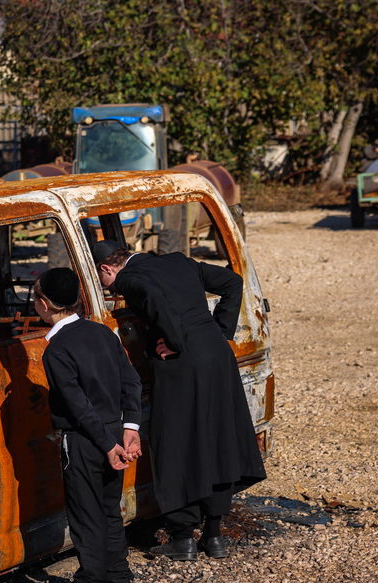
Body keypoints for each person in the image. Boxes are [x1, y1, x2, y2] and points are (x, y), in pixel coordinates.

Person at [91, 239, 266, 561]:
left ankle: (183, 536)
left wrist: (175, 342)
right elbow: (232, 282)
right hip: (216, 354)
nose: (107, 287)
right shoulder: (179, 261)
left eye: (102, 279)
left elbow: (156, 299)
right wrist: (221, 331)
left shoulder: (129, 278)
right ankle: (213, 535)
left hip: (181, 365)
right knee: (216, 437)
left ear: (107, 268)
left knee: (176, 442)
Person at [33, 267, 143, 583]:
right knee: (110, 512)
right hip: (113, 431)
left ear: (45, 304)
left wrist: (107, 445)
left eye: (35, 297)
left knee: (86, 518)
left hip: (84, 440)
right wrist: (130, 429)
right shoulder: (103, 333)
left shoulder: (56, 350)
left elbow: (78, 406)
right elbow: (131, 381)